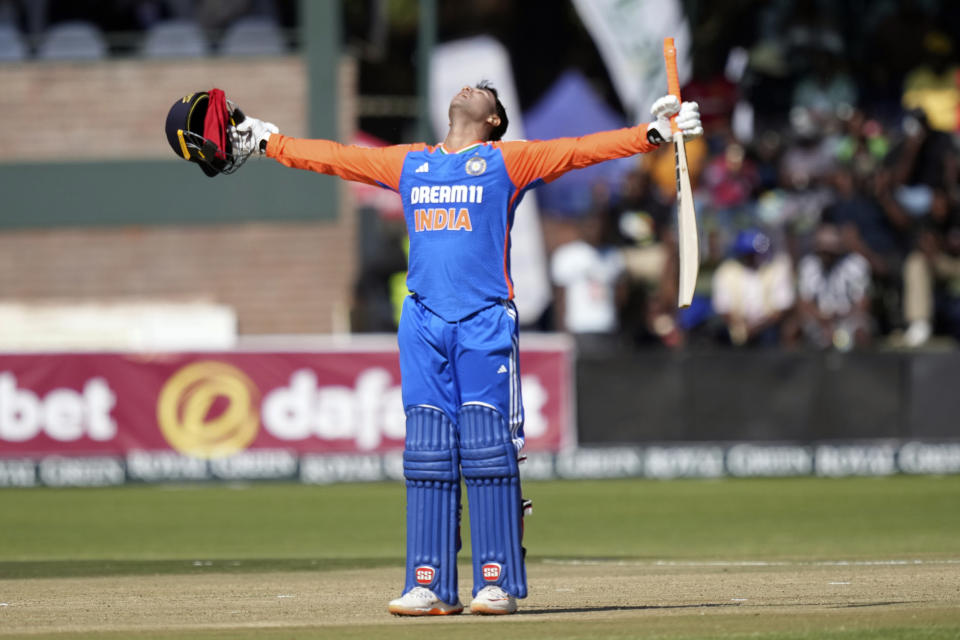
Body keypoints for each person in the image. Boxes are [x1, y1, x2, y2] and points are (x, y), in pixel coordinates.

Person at [230, 82, 702, 616]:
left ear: (495, 119)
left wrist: (654, 132)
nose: (470, 87)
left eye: (485, 91)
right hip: (423, 321)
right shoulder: (412, 164)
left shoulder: (508, 161)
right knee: (427, 451)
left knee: (486, 448)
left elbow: (581, 149)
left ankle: (496, 581)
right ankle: (428, 584)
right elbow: (340, 160)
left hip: (483, 320)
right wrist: (269, 142)